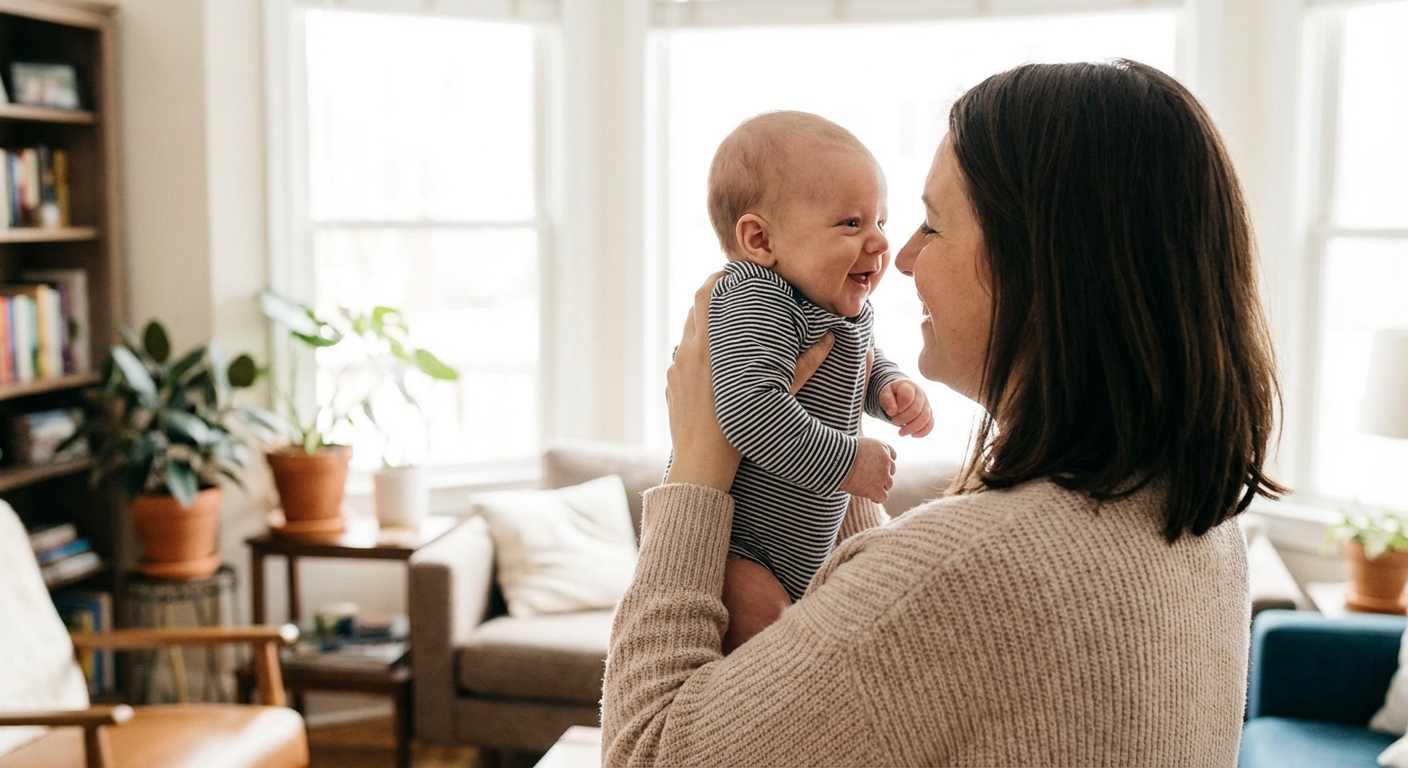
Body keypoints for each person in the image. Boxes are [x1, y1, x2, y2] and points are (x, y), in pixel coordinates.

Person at [602, 59, 1284, 767]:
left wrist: (698, 470)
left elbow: (648, 754)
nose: (901, 259)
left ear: (1040, 260)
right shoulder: (1201, 527)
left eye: (929, 224)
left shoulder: (964, 577)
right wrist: (837, 410)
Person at [698, 111, 932, 652]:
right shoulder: (757, 296)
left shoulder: (831, 302)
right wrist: (847, 461)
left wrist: (888, 387)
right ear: (760, 239)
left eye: (880, 222)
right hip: (745, 549)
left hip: (808, 544)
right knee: (764, 672)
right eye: (851, 224)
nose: (878, 243)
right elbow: (749, 409)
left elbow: (857, 358)